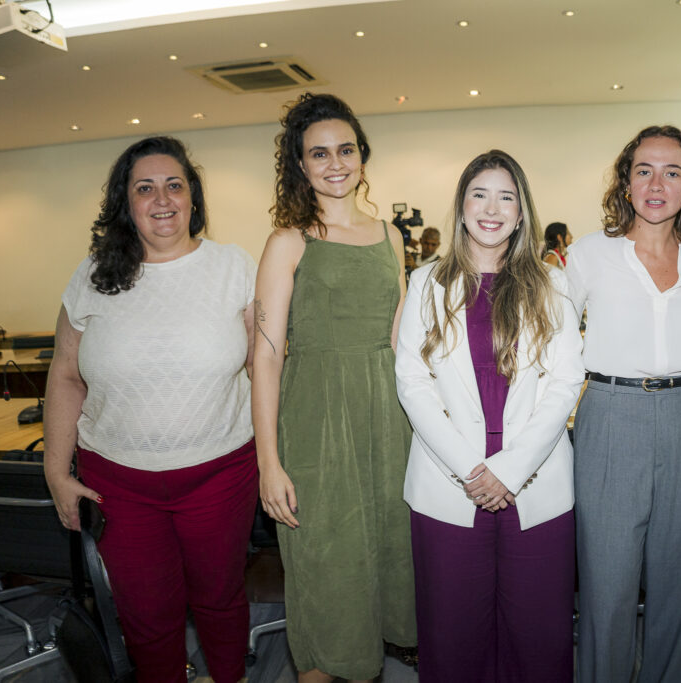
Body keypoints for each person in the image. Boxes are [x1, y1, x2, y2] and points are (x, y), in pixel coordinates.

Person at [43, 136, 258, 683]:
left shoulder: (234, 267)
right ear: (126, 201)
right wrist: (55, 471)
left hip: (220, 472)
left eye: (174, 185)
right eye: (145, 187)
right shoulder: (93, 274)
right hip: (118, 482)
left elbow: (266, 372)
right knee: (146, 615)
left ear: (193, 197)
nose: (162, 199)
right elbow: (66, 375)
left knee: (220, 600)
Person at [395, 149, 583, 682]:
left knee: (539, 635)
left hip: (536, 480)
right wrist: (473, 469)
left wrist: (510, 468)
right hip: (447, 479)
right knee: (452, 635)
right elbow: (412, 381)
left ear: (522, 212)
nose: (492, 208)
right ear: (460, 207)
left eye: (507, 196)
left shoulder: (553, 283)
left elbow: (565, 380)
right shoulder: (426, 283)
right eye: (480, 193)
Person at [251, 93, 416, 683]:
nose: (335, 163)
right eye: (318, 153)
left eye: (346, 149)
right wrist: (268, 463)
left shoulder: (391, 236)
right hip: (317, 424)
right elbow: (265, 358)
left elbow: (402, 343)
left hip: (386, 420)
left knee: (388, 558)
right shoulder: (289, 241)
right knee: (327, 570)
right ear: (300, 165)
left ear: (362, 156)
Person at [567, 125, 681, 683]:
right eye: (644, 170)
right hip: (612, 415)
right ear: (626, 182)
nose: (657, 183)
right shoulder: (589, 254)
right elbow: (557, 342)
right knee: (607, 583)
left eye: (672, 171)